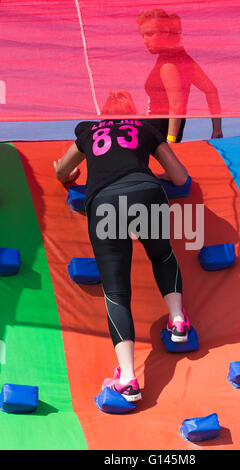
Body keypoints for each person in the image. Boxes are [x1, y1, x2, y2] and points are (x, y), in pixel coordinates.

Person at [54, 91, 191, 403]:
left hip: (105, 202)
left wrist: (71, 174)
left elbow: (61, 170)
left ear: (103, 115)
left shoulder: (89, 131)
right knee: (162, 254)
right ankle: (178, 319)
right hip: (147, 191)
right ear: (132, 114)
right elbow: (180, 176)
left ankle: (128, 378)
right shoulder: (145, 130)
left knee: (116, 291)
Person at [137, 9, 223, 143]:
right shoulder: (182, 58)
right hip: (163, 133)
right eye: (142, 35)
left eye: (149, 34)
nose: (145, 41)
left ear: (165, 32)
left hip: (158, 135)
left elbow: (176, 105)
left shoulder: (167, 65)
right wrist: (217, 128)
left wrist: (171, 141)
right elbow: (211, 90)